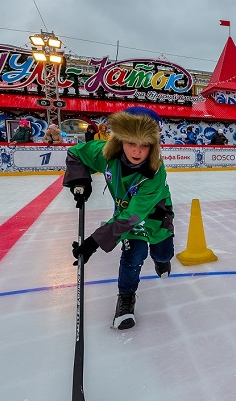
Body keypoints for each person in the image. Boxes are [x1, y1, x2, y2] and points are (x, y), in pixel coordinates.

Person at [63, 106, 175, 330]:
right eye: (131, 143)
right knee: (134, 256)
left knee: (164, 253)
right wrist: (80, 180)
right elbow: (76, 152)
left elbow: (132, 216)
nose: (137, 151)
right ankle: (126, 299)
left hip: (155, 217)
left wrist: (93, 242)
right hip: (127, 218)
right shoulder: (106, 155)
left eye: (144, 145)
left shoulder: (154, 174)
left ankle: (162, 261)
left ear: (153, 147)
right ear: (120, 140)